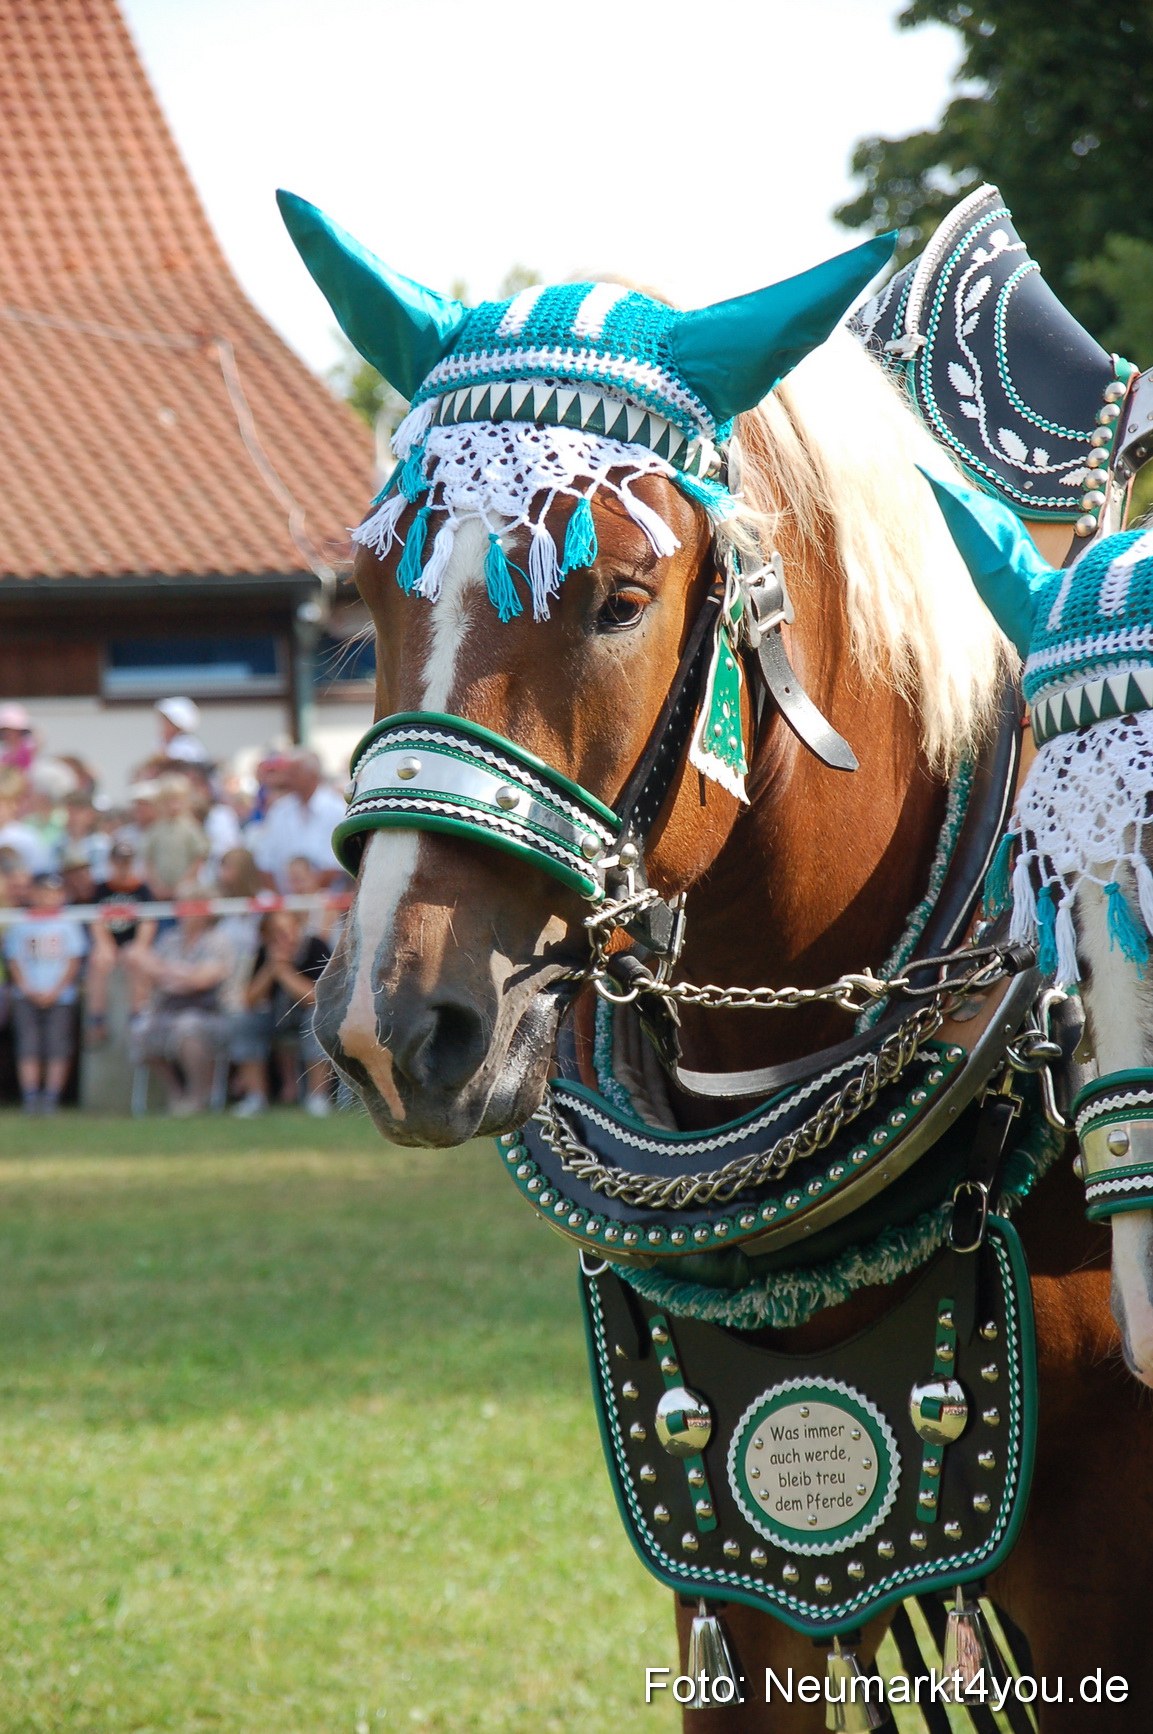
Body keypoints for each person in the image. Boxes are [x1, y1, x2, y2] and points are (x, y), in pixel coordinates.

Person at [126, 892, 234, 1115]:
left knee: (188, 1028)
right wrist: (182, 974)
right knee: (141, 1029)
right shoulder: (170, 938)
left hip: (207, 1011)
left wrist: (169, 973)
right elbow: (148, 969)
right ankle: (176, 1093)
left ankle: (198, 1095)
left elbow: (203, 980)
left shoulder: (218, 940)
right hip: (168, 1008)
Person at [231, 909, 332, 1116]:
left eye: (289, 930)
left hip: (309, 1016)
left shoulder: (316, 948)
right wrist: (270, 968)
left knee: (317, 1020)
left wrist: (284, 973)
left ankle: (318, 1098)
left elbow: (317, 998)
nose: (284, 937)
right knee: (243, 1023)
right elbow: (249, 1001)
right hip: (276, 1016)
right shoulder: (265, 951)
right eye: (276, 933)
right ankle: (255, 1097)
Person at [2, 871, 86, 1112]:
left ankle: (51, 1097)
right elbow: (14, 959)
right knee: (28, 1045)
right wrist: (27, 989)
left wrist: (56, 990)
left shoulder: (67, 922)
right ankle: (31, 1096)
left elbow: (73, 960)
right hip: (27, 994)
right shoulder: (22, 921)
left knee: (57, 1046)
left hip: (60, 995)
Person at [85, 841, 157, 1043]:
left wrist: (141, 945)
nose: (123, 865)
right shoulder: (102, 889)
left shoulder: (142, 889)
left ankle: (137, 1016)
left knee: (137, 960)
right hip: (109, 941)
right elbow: (96, 920)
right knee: (100, 961)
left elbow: (148, 920)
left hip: (131, 941)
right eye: (119, 861)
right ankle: (97, 1020)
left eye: (127, 861)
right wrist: (104, 944)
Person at [251, 751, 345, 891]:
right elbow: (266, 863)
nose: (288, 779)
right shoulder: (279, 810)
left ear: (312, 775)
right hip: (286, 904)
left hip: (328, 902)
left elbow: (336, 865)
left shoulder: (336, 809)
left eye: (294, 773)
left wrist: (307, 894)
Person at [141, 773, 209, 897]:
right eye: (168, 801)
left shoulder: (191, 827)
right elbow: (148, 859)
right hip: (160, 891)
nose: (173, 805)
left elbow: (198, 857)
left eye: (177, 800)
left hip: (186, 890)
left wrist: (185, 882)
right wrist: (156, 885)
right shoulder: (155, 829)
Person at [155, 696, 209, 765]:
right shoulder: (164, 743)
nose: (162, 726)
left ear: (176, 725)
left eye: (167, 722)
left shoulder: (186, 746)